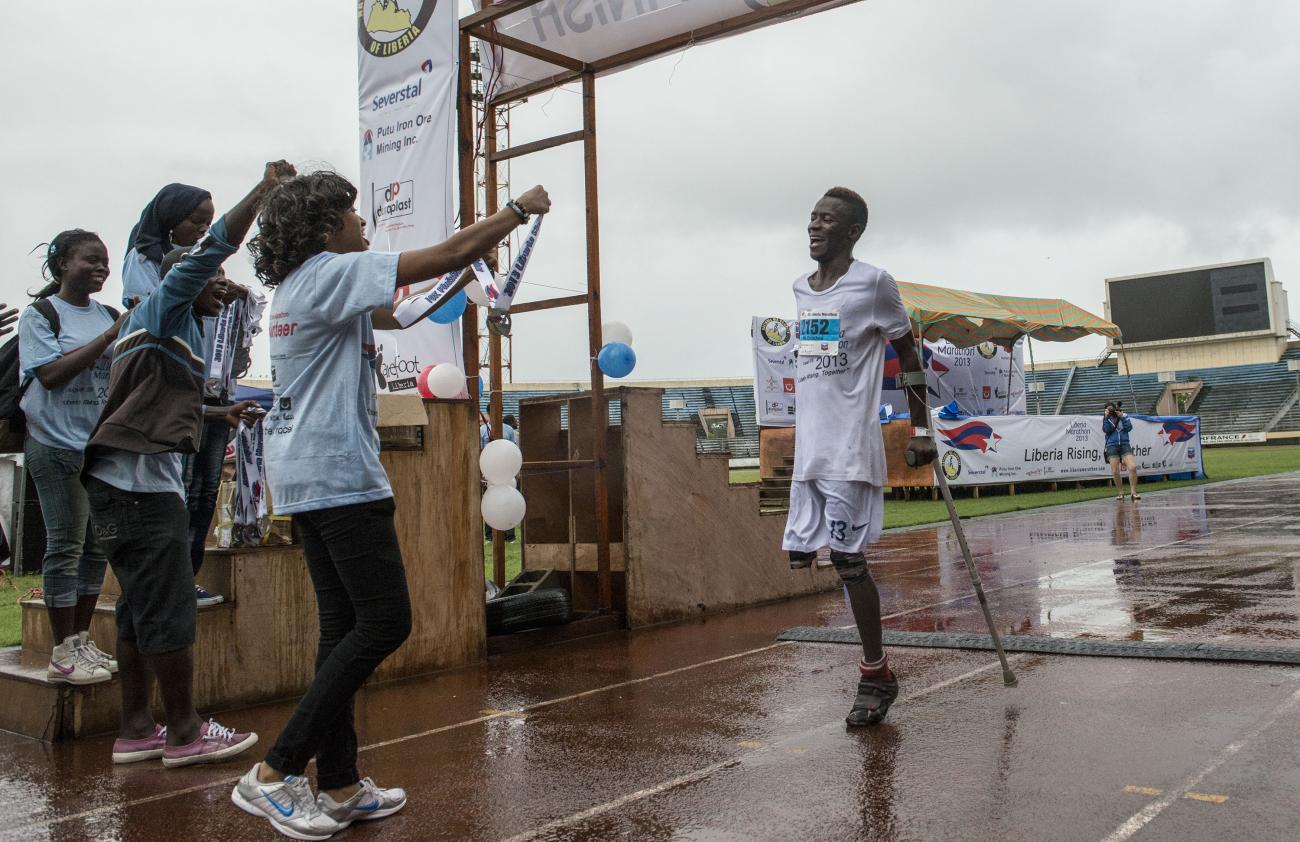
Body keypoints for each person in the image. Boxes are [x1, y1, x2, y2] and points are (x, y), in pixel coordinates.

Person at [235, 170, 550, 839]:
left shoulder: (299, 286)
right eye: (353, 216)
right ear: (325, 228)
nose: (364, 227)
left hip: (308, 476)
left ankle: (341, 784)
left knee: (340, 630)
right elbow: (434, 256)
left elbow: (405, 308)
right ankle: (275, 771)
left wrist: (468, 275)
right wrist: (514, 212)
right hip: (341, 477)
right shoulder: (327, 272)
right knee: (385, 623)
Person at [84, 161, 294, 769]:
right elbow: (209, 251)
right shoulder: (162, 306)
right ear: (186, 283)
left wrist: (216, 415)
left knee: (137, 606)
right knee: (172, 607)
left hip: (126, 481)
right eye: (212, 283)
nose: (221, 289)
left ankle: (136, 727)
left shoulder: (157, 334)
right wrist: (262, 191)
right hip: (138, 489)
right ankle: (184, 732)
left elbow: (153, 400)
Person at [783, 187, 936, 727]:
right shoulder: (801, 288)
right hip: (810, 453)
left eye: (826, 220)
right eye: (811, 219)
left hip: (850, 447)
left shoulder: (874, 283)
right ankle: (875, 669)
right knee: (802, 561)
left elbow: (908, 355)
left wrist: (922, 429)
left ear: (852, 232)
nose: (814, 227)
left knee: (849, 564)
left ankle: (876, 675)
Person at [17, 230, 126, 684]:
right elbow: (51, 375)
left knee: (96, 549)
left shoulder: (108, 313)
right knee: (64, 546)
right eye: (91, 260)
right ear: (61, 264)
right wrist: (110, 336)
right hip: (54, 445)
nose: (101, 268)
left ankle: (80, 641)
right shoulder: (41, 316)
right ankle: (62, 651)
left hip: (96, 448)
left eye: (105, 261)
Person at [121, 183, 214, 307]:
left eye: (208, 223)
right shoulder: (144, 256)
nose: (204, 229)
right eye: (196, 221)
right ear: (171, 219)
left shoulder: (203, 255)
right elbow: (145, 308)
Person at [1104, 400, 1140, 500]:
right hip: (1112, 445)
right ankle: (1120, 493)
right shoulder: (1106, 418)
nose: (1111, 411)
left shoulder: (1124, 415)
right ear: (1106, 410)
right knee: (1115, 471)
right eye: (1109, 409)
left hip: (1124, 444)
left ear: (1116, 408)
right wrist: (1106, 417)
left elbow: (1129, 428)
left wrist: (1122, 417)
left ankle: (1133, 492)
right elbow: (1106, 430)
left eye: (1112, 409)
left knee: (1132, 467)